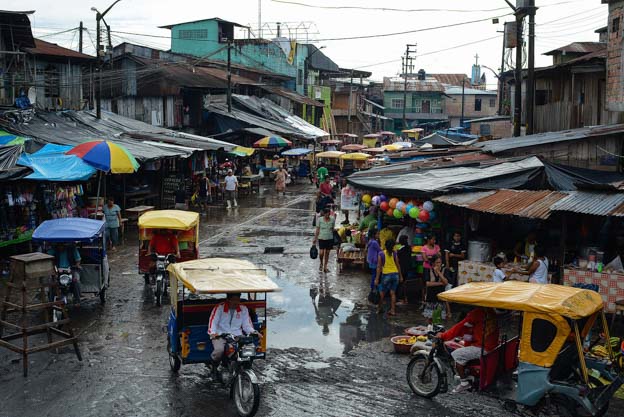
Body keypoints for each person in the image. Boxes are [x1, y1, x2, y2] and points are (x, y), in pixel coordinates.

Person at [437, 308, 499, 393]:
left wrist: (443, 336)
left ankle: (464, 383)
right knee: (464, 351)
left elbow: (459, 327)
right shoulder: (491, 312)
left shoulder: (477, 312)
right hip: (492, 347)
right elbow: (471, 332)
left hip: (484, 348)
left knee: (457, 354)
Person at [207, 293, 257, 368]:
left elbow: (247, 325)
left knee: (249, 349)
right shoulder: (219, 308)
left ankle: (245, 368)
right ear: (228, 300)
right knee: (219, 351)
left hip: (237, 335)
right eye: (233, 300)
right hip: (221, 335)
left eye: (237, 300)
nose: (236, 302)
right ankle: (214, 370)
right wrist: (213, 333)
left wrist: (253, 332)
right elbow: (213, 322)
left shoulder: (243, 308)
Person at [375, 238, 404, 316]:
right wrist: (400, 276)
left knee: (382, 292)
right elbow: (398, 265)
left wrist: (377, 279)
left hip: (386, 275)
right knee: (393, 293)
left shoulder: (381, 254)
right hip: (395, 275)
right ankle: (393, 310)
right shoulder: (394, 253)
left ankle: (379, 308)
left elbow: (379, 267)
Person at [424, 255, 451, 320]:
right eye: (437, 262)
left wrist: (439, 272)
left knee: (439, 318)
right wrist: (441, 283)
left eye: (440, 262)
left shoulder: (445, 270)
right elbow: (428, 284)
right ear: (433, 263)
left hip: (440, 298)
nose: (439, 264)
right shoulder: (428, 270)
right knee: (430, 318)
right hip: (431, 297)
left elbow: (446, 282)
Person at [313, 207, 336, 273]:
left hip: (330, 238)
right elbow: (317, 230)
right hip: (321, 238)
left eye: (329, 214)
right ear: (324, 214)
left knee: (327, 253)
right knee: (321, 253)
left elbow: (332, 228)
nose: (327, 216)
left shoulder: (332, 219)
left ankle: (325, 266)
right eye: (326, 214)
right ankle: (321, 263)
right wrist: (315, 238)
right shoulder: (320, 220)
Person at [421, 234, 441, 303]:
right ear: (429, 240)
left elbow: (439, 255)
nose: (434, 241)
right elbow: (425, 258)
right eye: (433, 239)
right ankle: (424, 299)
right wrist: (433, 257)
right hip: (427, 268)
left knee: (434, 283)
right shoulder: (424, 248)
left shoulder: (437, 247)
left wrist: (430, 257)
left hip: (435, 269)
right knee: (425, 284)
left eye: (434, 239)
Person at [396, 235, 412, 305]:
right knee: (404, 282)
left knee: (400, 283)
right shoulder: (409, 248)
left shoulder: (399, 249)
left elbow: (397, 258)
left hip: (401, 268)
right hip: (407, 268)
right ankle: (405, 298)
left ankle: (401, 298)